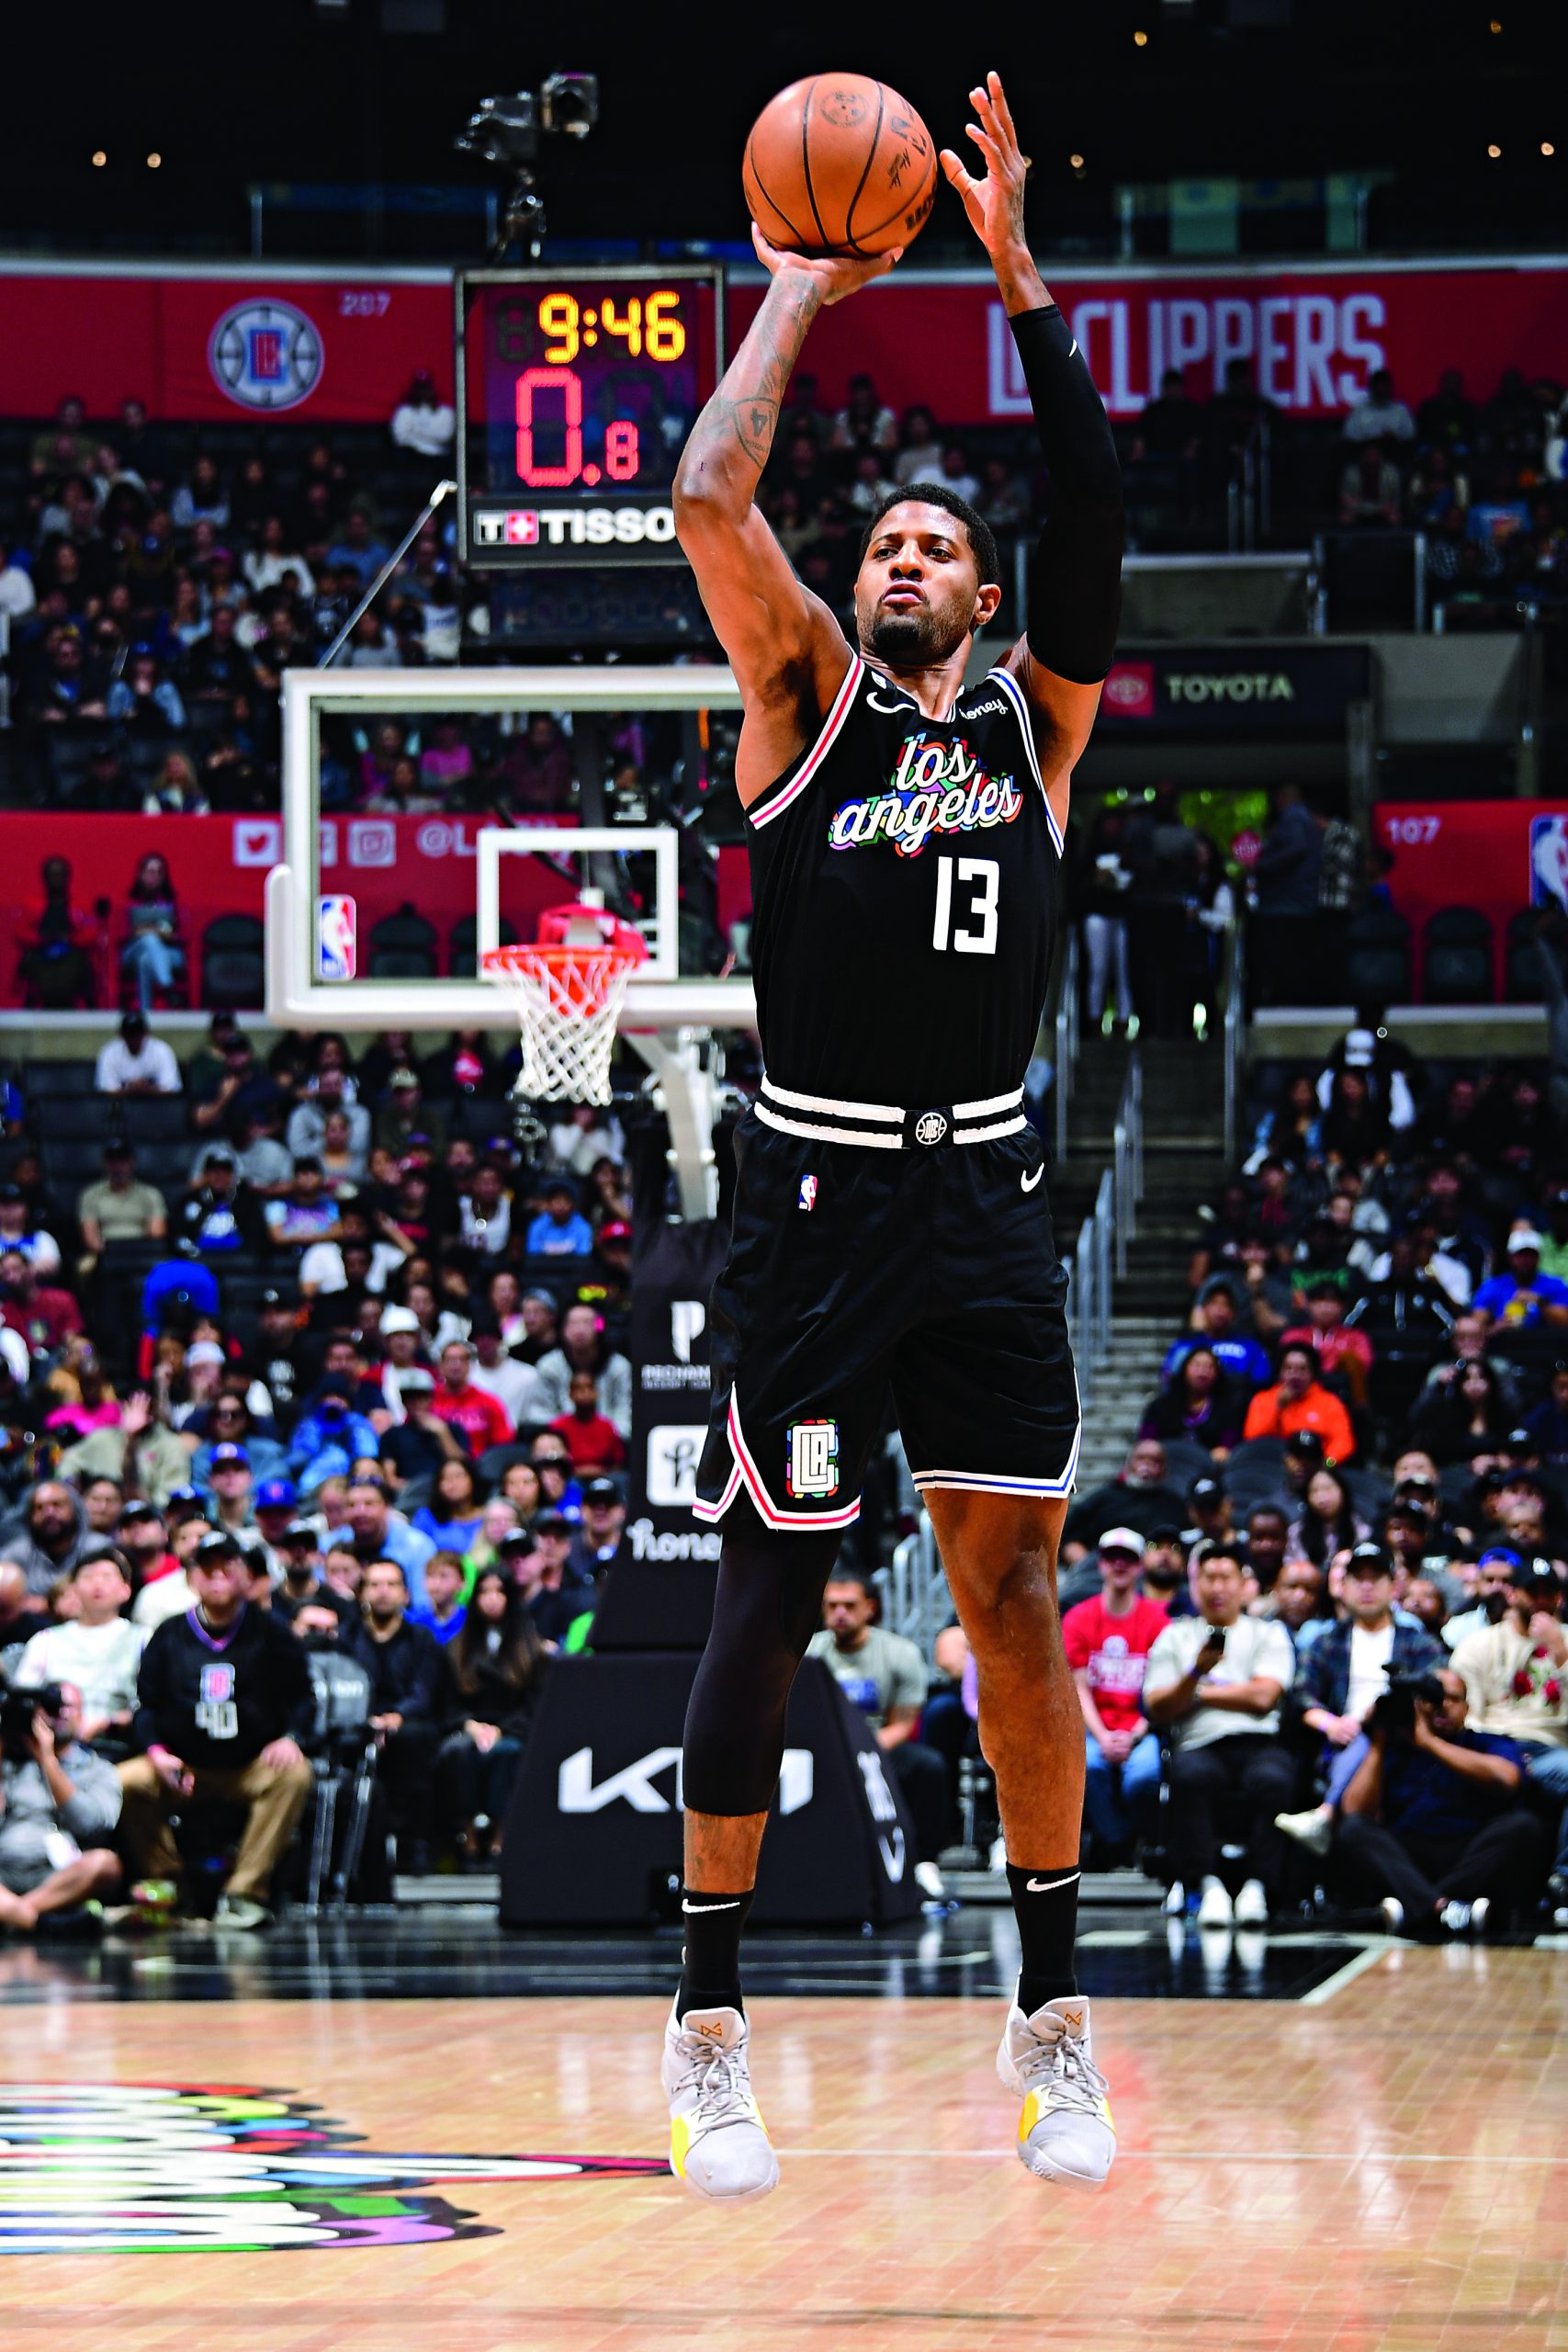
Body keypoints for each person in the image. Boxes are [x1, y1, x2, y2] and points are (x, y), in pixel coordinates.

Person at [668, 75, 1122, 2200]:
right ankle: (706, 2021)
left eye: (936, 542)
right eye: (884, 545)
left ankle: (1046, 2021)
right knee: (769, 1588)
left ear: (983, 588)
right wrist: (786, 296)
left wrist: (1017, 283)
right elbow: (702, 494)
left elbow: (1092, 525)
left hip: (983, 1192)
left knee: (1009, 1592)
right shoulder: (808, 698)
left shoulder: (1036, 731)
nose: (905, 556)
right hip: (814, 1181)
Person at [117, 1529, 314, 1927]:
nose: (218, 1575)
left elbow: (304, 1698)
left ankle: (244, 1893)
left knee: (296, 1775)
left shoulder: (272, 1631)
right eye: (207, 1568)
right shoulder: (169, 1634)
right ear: (192, 1579)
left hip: (249, 1765)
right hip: (184, 1768)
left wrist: (291, 1738)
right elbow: (146, 1707)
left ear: (247, 1576)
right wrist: (157, 1753)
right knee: (127, 1780)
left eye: (228, 1566)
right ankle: (168, 1886)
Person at [1332, 1664, 1549, 1937]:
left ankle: (1420, 1906)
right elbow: (1355, 1810)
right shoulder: (1396, 1748)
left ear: (1467, 1708)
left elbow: (1508, 1779)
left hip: (1468, 1851)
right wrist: (1379, 1740)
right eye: (1433, 1699)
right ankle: (1446, 1910)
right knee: (1354, 1829)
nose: (1443, 1705)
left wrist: (1430, 1743)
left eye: (1453, 1699)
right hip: (1409, 1854)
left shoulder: (1486, 1742)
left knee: (1524, 1826)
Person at [1143, 1547, 1296, 1926]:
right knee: (1188, 1777)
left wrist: (1197, 1693)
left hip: (1258, 1741)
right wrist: (1196, 1671)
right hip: (1198, 1743)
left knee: (1276, 1779)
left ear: (1244, 1585)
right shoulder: (1175, 1636)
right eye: (1208, 1578)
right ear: (1194, 1585)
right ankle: (1207, 1884)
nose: (1217, 1587)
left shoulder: (1268, 1632)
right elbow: (1158, 1706)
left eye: (1225, 1577)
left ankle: (1258, 1886)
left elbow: (1264, 1696)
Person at [1276, 1545, 1448, 1857]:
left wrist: (1379, 1712)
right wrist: (1331, 1723)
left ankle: (1326, 1814)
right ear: (1343, 1586)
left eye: (1376, 1578)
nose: (1367, 1587)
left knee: (1379, 1721)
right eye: (1358, 1578)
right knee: (1357, 1740)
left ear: (1393, 1586)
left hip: (1404, 1736)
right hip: (1342, 1738)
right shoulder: (1327, 1642)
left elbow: (1437, 1687)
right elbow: (1301, 1694)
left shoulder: (1418, 1641)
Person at [806, 1569, 949, 1888]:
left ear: (869, 1608)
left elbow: (903, 1724)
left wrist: (859, 1751)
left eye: (849, 1605)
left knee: (929, 1767)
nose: (840, 1613)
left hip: (879, 1745)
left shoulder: (900, 1653)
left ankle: (925, 1862)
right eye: (832, 1605)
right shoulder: (809, 1653)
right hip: (821, 1748)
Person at [1450, 1558, 1568, 1906]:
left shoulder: (1566, 1641)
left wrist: (1561, 1655)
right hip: (1497, 1743)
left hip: (1555, 1746)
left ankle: (1562, 1880)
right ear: (1513, 1594)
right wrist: (1501, 1752)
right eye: (1533, 1592)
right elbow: (1465, 1714)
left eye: (1549, 1593)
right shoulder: (1480, 1644)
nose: (1540, 1601)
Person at [1062, 1531, 1168, 1853]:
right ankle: (1116, 1843)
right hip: (1094, 1730)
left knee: (1145, 1775)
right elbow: (1078, 1686)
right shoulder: (1079, 1618)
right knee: (1088, 1768)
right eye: (1111, 1557)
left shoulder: (1158, 1620)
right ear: (1100, 1564)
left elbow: (1162, 1688)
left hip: (1140, 1728)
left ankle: (1132, 1840)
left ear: (1140, 1567)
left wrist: (1133, 1735)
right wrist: (1104, 1736)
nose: (1119, 1564)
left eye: (1129, 1558)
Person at [436, 1565, 548, 1864]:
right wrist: (470, 1726)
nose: (492, 1599)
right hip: (467, 1728)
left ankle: (501, 1837)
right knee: (456, 1752)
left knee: (507, 1753)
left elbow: (534, 1707)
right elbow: (446, 1704)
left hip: (514, 1729)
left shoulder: (531, 1650)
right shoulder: (457, 1648)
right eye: (484, 1592)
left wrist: (502, 1730)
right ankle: (469, 1838)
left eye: (499, 1591)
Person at [0, 1680, 125, 1933]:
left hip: (57, 1876)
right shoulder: (12, 1765)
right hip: (5, 1870)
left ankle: (13, 1916)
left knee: (106, 1864)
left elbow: (91, 1824)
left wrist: (48, 1760)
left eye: (70, 1707)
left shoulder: (98, 1770)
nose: (62, 1714)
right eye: (53, 1708)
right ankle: (39, 1923)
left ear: (83, 1716)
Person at [343, 1557, 442, 1872]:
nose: (383, 1592)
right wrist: (369, 1719)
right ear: (362, 1594)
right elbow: (344, 1685)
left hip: (408, 1724)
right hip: (359, 1721)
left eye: (391, 1584)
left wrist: (396, 1717)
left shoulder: (421, 1639)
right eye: (374, 1584)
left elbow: (424, 1691)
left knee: (413, 1739)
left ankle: (415, 1846)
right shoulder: (346, 1639)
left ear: (406, 1594)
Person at [18, 1550, 145, 1746]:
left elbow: (155, 1705)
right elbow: (23, 1697)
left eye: (107, 1576)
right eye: (88, 1577)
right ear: (74, 1589)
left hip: (119, 1745)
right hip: (54, 1745)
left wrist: (108, 1723)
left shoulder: (143, 1638)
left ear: (126, 1590)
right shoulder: (45, 1640)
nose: (97, 1584)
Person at [1242, 1340, 1356, 1462]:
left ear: (1312, 1373)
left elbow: (1344, 1442)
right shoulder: (1263, 1399)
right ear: (1280, 1372)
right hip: (1272, 1467)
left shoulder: (1330, 1402)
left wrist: (1327, 1464)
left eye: (1302, 1369)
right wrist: (1278, 1408)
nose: (1295, 1375)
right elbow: (1252, 1438)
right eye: (1289, 1368)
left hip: (1316, 1469)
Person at [119, 855, 185, 1013]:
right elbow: (124, 934)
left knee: (146, 959)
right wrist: (152, 931)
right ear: (140, 874)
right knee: (148, 940)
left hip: (168, 951)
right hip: (132, 950)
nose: (153, 877)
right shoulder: (128, 903)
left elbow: (178, 935)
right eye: (149, 871)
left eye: (158, 872)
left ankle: (145, 1012)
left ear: (164, 877)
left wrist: (150, 930)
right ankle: (167, 986)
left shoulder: (173, 904)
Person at [95, 1010, 180, 1097]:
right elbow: (106, 1091)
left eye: (137, 1033)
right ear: (121, 1035)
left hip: (157, 1107)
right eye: (129, 1034)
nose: (133, 1038)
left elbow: (171, 1088)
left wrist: (146, 1089)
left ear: (146, 1033)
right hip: (120, 1108)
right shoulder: (110, 1052)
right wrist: (131, 1089)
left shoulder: (161, 1050)